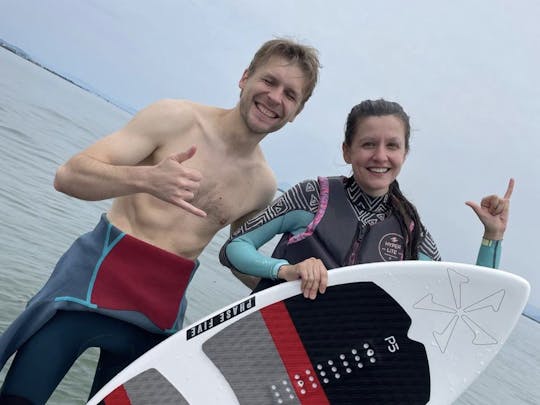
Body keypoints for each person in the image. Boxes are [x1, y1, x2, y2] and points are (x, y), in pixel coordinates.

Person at [0, 38, 321, 404]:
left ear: (297, 111)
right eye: (268, 81)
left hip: (156, 322)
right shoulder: (175, 119)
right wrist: (145, 179)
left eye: (290, 94)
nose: (275, 97)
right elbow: (68, 176)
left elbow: (238, 257)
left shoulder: (262, 185)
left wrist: (289, 276)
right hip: (87, 291)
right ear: (245, 77)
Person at [220, 99, 514, 299]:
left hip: (342, 373)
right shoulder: (311, 197)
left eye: (392, 146)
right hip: (269, 341)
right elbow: (234, 248)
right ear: (347, 151)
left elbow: (464, 303)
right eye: (368, 144)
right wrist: (285, 269)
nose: (380, 156)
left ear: (405, 154)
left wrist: (493, 235)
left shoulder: (411, 233)